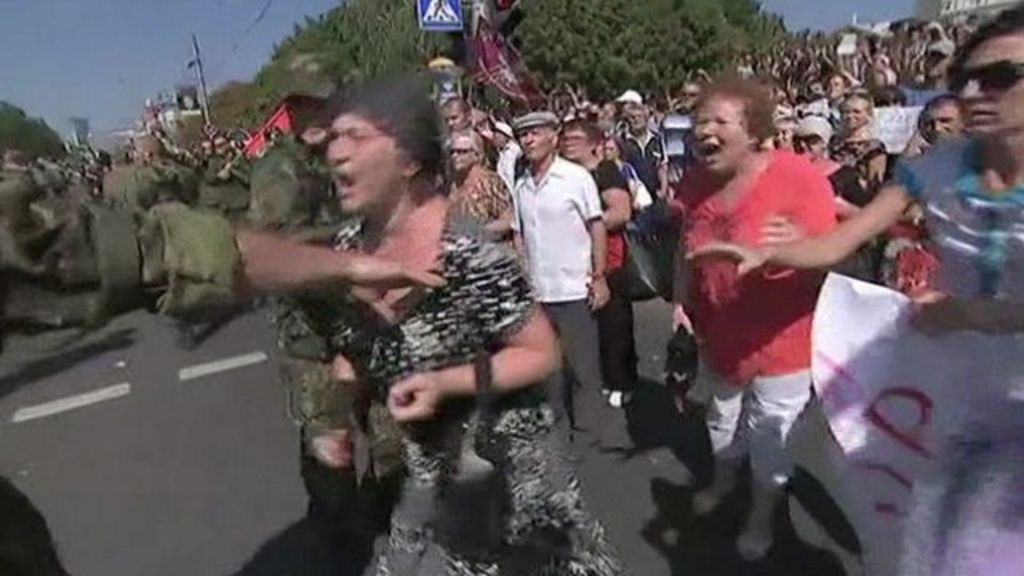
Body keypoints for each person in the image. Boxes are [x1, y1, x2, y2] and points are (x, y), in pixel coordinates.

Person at [690, 7, 1024, 573]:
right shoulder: (938, 168)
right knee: (936, 538)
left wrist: (975, 314)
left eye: (1000, 78)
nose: (973, 94)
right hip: (957, 386)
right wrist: (772, 251)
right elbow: (842, 239)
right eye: (962, 81)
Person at [305, 77, 622, 575]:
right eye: (334, 138)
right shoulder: (348, 250)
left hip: (518, 466)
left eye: (359, 139)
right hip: (433, 470)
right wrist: (335, 417)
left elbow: (539, 353)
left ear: (409, 161)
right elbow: (352, 349)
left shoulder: (469, 253)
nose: (337, 153)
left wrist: (444, 383)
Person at [671, 77, 837, 561]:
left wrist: (791, 246)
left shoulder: (798, 176)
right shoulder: (696, 181)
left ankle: (761, 517)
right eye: (700, 121)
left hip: (783, 342)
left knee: (770, 439)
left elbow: (830, 257)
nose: (705, 131)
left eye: (720, 121)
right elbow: (686, 245)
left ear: (755, 129)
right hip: (719, 335)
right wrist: (679, 302)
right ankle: (724, 483)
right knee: (721, 421)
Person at [510, 110, 617, 447]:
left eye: (535, 133)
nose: (528, 140)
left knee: (582, 365)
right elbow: (518, 232)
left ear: (553, 137)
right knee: (547, 368)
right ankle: (554, 427)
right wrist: (522, 272)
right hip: (538, 291)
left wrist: (599, 276)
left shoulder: (576, 178)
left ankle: (587, 432)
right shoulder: (522, 184)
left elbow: (596, 226)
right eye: (523, 135)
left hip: (573, 287)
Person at [560, 120, 637, 410]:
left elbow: (621, 211)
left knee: (614, 325)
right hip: (574, 258)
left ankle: (622, 380)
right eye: (565, 138)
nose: (569, 143)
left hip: (611, 258)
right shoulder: (564, 175)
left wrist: (586, 223)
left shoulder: (605, 172)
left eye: (576, 138)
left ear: (594, 143)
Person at [447, 130, 512, 239]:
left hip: (487, 250)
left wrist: (479, 231)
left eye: (462, 152)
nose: (455, 156)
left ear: (477, 154)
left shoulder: (491, 182)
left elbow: (508, 220)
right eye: (451, 152)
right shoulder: (450, 183)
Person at [831, 92, 889, 194]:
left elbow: (874, 182)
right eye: (846, 112)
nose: (850, 116)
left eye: (856, 112)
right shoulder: (835, 142)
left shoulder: (874, 146)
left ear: (868, 115)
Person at [617, 90, 669, 199]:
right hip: (632, 195)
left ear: (646, 119)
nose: (636, 120)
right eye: (632, 117)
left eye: (639, 117)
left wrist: (663, 190)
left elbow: (662, 167)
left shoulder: (657, 139)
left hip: (654, 194)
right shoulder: (621, 140)